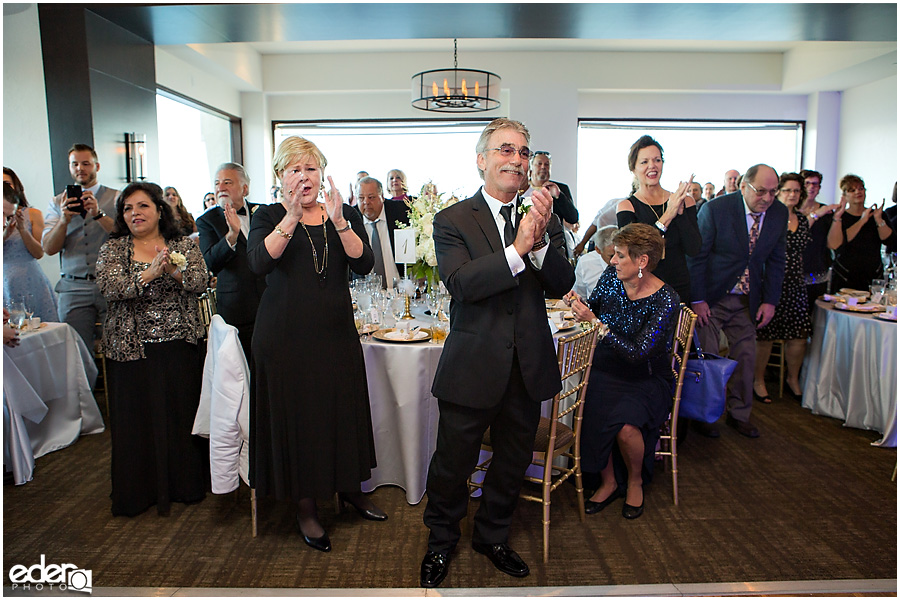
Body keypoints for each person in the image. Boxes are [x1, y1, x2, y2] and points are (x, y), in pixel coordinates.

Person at [420, 118, 575, 588]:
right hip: (473, 366)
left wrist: (542, 239)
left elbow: (562, 283)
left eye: (524, 152)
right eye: (506, 150)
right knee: (452, 464)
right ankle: (440, 542)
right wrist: (518, 248)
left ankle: (492, 536)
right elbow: (462, 285)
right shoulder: (452, 220)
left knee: (511, 463)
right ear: (482, 160)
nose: (517, 159)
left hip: (526, 367)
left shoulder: (539, 218)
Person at [247, 136, 383, 554]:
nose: (304, 177)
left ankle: (349, 489)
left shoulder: (340, 214)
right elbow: (257, 263)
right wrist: (289, 219)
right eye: (294, 169)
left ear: (322, 173)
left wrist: (342, 221)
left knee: (341, 411)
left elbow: (364, 264)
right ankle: (306, 507)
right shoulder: (268, 214)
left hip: (336, 334)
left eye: (310, 168)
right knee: (301, 421)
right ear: (279, 177)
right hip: (285, 340)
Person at [96, 182, 209, 517]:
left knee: (180, 416)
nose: (135, 214)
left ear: (159, 210)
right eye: (128, 209)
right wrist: (147, 274)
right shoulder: (113, 249)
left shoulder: (182, 246)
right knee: (137, 422)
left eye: (142, 206)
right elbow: (111, 287)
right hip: (131, 350)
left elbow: (200, 282)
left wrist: (173, 271)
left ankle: (185, 486)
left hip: (180, 346)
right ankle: (139, 492)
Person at [565, 223, 679, 520]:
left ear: (642, 261)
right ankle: (609, 481)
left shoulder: (666, 298)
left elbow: (639, 353)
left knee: (627, 428)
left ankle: (635, 480)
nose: (612, 260)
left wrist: (598, 325)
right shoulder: (611, 278)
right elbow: (594, 307)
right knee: (593, 411)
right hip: (604, 367)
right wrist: (577, 305)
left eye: (619, 255)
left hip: (645, 377)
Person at [688, 164, 788, 439]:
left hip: (748, 299)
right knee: (708, 359)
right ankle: (705, 415)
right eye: (761, 191)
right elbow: (697, 257)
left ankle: (739, 414)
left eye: (773, 192)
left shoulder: (779, 213)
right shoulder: (716, 209)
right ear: (744, 186)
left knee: (746, 357)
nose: (767, 198)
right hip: (712, 297)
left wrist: (770, 301)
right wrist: (697, 298)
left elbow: (777, 260)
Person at [754, 173, 830, 402]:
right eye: (787, 190)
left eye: (797, 191)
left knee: (799, 334)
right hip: (771, 282)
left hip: (796, 283)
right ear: (778, 191)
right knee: (766, 334)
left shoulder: (804, 220)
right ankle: (758, 380)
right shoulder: (767, 217)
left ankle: (792, 378)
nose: (792, 194)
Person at [42, 144, 118, 350]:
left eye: (86, 163)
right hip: (73, 287)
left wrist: (98, 214)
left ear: (97, 166)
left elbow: (125, 238)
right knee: (76, 352)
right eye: (74, 164)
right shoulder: (57, 202)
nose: (80, 168)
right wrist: (63, 221)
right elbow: (48, 248)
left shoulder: (117, 197)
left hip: (111, 283)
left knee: (119, 347)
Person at [617, 135, 700, 303]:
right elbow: (635, 251)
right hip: (643, 290)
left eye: (657, 160)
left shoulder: (684, 200)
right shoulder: (627, 206)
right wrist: (670, 212)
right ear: (633, 168)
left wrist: (681, 210)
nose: (652, 166)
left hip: (679, 287)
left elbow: (694, 249)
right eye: (644, 162)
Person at [196, 162, 267, 359]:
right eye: (217, 183)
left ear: (245, 188)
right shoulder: (207, 221)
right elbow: (210, 262)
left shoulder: (263, 212)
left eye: (227, 182)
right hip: (237, 307)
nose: (220, 188)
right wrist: (232, 235)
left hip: (270, 300)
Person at [3, 169, 58, 322]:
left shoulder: (32, 213)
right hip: (5, 279)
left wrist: (22, 230)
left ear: (16, 186)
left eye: (7, 184)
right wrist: (5, 234)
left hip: (30, 277)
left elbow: (39, 253)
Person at [829, 174, 893, 291]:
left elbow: (889, 240)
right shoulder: (839, 217)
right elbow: (838, 243)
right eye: (852, 190)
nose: (858, 192)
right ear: (844, 196)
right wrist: (862, 220)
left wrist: (878, 220)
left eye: (860, 188)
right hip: (845, 275)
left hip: (872, 275)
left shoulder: (877, 214)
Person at [797, 169, 841, 308]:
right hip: (793, 273)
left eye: (815, 184)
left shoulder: (826, 211)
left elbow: (833, 244)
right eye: (807, 183)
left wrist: (837, 219)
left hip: (818, 272)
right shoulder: (790, 211)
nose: (811, 187)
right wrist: (815, 215)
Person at [355, 176, 410, 288]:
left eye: (371, 197)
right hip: (366, 294)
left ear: (382, 197)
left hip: (402, 291)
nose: (366, 202)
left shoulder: (402, 212)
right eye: (361, 198)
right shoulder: (351, 219)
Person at [526, 150, 579, 225]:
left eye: (547, 164)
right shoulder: (523, 188)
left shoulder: (560, 188)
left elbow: (573, 218)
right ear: (531, 167)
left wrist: (559, 196)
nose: (543, 167)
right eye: (539, 164)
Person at [572, 225, 616, 299]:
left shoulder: (632, 262)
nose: (615, 260)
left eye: (620, 255)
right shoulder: (586, 262)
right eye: (611, 256)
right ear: (598, 250)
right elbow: (579, 296)